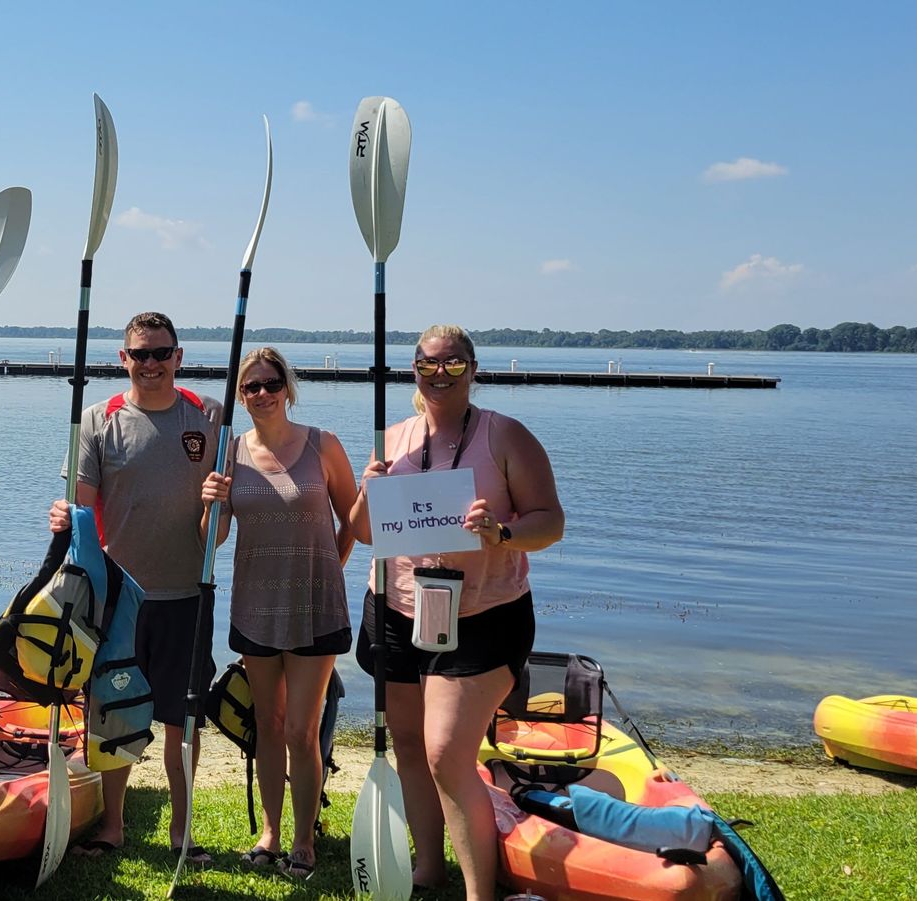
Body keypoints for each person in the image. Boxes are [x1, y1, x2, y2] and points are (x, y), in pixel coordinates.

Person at [351, 324, 565, 899]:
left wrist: (502, 532)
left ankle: (479, 891)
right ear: (414, 371)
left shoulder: (505, 435)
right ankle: (428, 868)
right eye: (427, 364)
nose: (439, 374)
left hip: (484, 615)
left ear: (473, 369)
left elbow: (550, 521)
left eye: (451, 364)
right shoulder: (393, 438)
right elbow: (363, 531)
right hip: (396, 608)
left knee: (446, 753)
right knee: (410, 744)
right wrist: (367, 489)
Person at [47, 311, 222, 863]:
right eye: (140, 354)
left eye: (161, 353)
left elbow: (219, 528)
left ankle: (181, 832)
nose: (151, 364)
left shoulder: (210, 415)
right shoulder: (98, 420)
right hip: (118, 599)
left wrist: (217, 508)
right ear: (123, 359)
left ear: (178, 357)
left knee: (182, 722)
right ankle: (113, 826)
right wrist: (64, 516)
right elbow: (81, 507)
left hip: (188, 595)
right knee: (113, 715)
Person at [199, 346, 359, 880]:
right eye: (251, 387)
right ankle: (270, 832)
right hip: (255, 607)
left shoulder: (322, 444)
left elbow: (353, 522)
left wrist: (330, 568)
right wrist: (210, 502)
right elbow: (212, 541)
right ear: (240, 397)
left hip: (316, 608)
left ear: (288, 388)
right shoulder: (230, 452)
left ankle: (303, 841)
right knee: (267, 725)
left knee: (301, 730)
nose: (262, 393)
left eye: (271, 384)